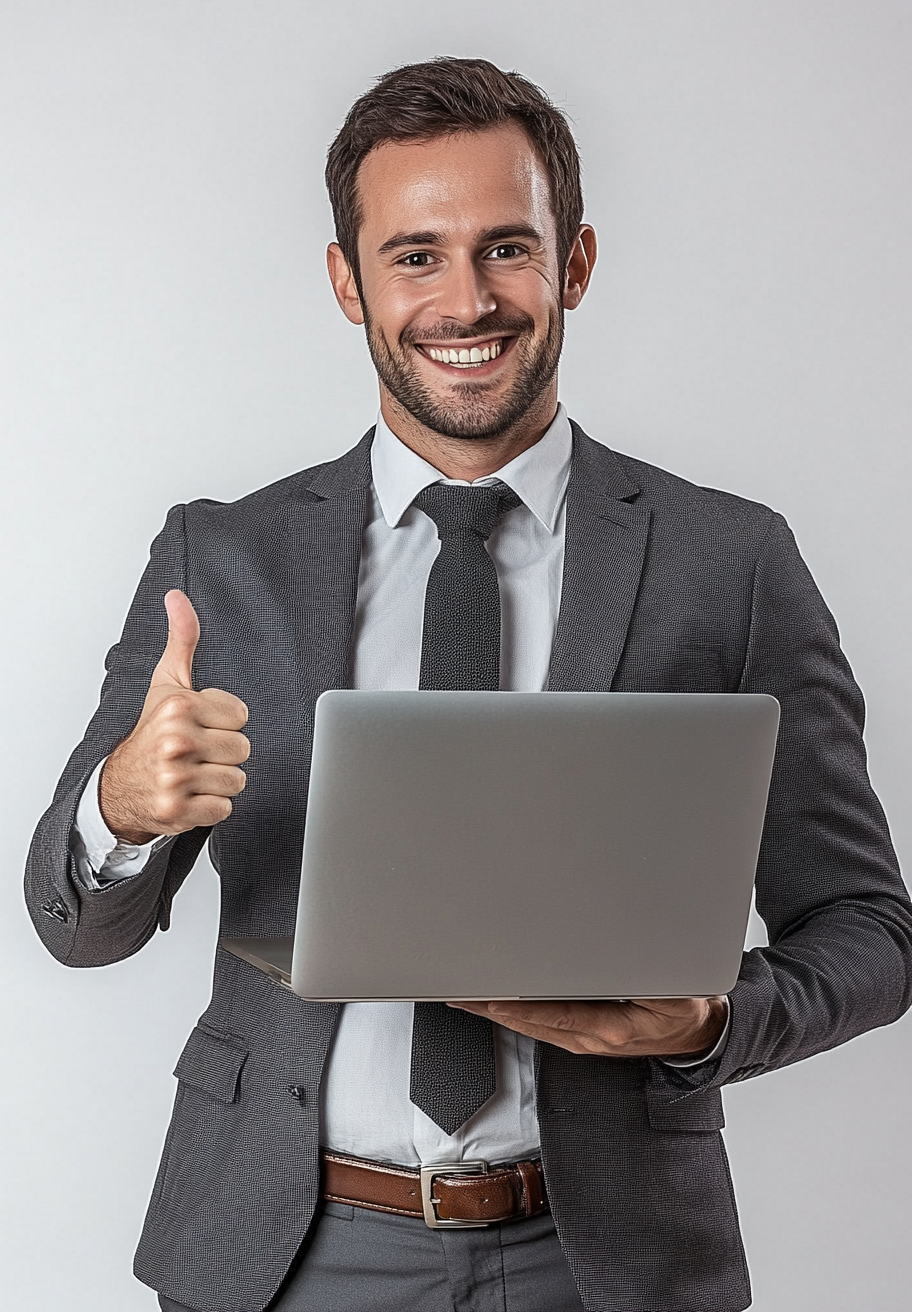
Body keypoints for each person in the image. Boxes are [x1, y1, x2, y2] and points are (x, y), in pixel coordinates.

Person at [25, 56, 912, 1312]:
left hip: (605, 1260)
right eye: (415, 255)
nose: (465, 299)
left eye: (507, 247)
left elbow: (871, 932)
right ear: (349, 280)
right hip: (285, 1252)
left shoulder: (732, 563)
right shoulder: (221, 560)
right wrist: (118, 810)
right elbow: (74, 925)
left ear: (577, 263)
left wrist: (706, 1026)